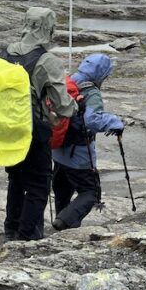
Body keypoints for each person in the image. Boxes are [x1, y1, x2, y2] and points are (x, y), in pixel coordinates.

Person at [1, 7, 76, 241]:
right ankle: (25, 238)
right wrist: (73, 108)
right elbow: (63, 105)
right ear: (49, 29)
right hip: (34, 130)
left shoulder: (5, 53)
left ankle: (10, 230)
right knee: (39, 185)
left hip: (8, 126)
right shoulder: (46, 60)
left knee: (16, 179)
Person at [51, 53, 123, 231]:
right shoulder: (91, 92)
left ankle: (65, 224)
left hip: (58, 149)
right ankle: (63, 222)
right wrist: (115, 122)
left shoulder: (67, 81)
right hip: (79, 154)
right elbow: (93, 120)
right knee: (90, 193)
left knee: (63, 190)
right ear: (101, 74)